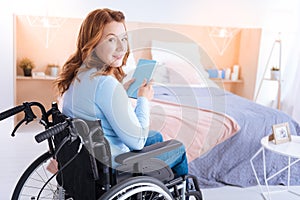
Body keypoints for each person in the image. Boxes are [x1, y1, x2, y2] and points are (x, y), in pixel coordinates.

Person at [55, 8, 188, 177]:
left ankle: (155, 183)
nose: (121, 47)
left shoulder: (78, 75)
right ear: (92, 42)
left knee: (156, 137)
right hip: (112, 166)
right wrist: (143, 99)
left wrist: (120, 95)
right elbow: (138, 141)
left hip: (89, 156)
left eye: (124, 39)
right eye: (111, 39)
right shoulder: (105, 84)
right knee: (178, 148)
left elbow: (98, 105)